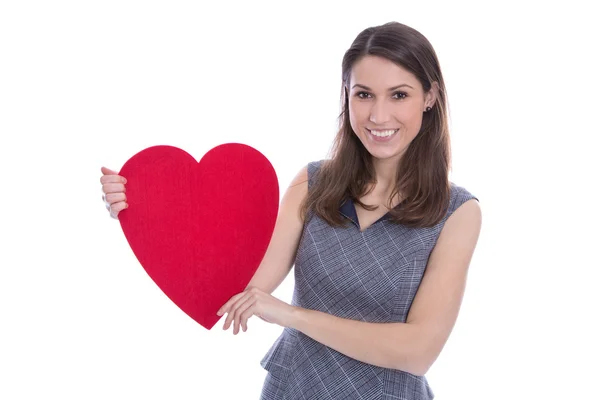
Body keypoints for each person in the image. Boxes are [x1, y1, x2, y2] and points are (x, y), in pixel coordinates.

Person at [101, 21, 482, 400]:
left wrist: (293, 316)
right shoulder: (313, 183)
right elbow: (234, 290)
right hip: (295, 388)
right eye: (364, 95)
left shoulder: (456, 213)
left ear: (430, 96)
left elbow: (417, 351)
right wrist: (147, 210)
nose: (379, 116)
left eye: (399, 95)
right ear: (346, 95)